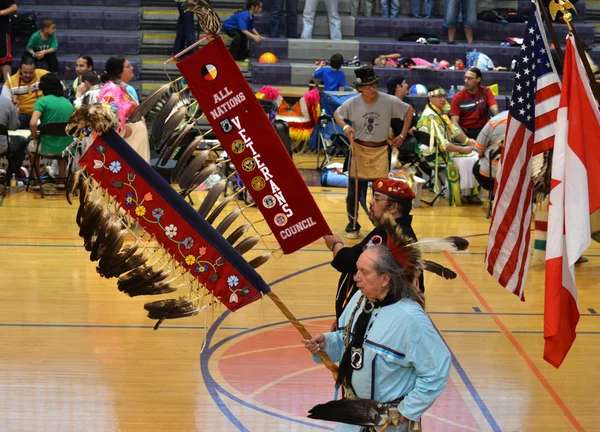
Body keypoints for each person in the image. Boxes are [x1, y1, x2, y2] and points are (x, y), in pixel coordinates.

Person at [302, 236, 450, 431]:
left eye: (364, 272)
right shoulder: (358, 300)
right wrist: (326, 343)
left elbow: (436, 372)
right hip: (352, 413)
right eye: (357, 270)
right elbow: (347, 342)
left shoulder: (411, 319)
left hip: (388, 423)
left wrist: (406, 410)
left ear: (385, 278)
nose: (356, 277)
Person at [324, 177, 424, 324]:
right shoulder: (396, 231)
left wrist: (335, 244)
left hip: (378, 319)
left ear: (393, 207)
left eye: (377, 199)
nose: (371, 202)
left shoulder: (390, 236)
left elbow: (349, 261)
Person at [334, 66, 413, 239]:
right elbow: (337, 114)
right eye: (368, 86)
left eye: (375, 84)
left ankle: (381, 225)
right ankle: (352, 224)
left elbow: (408, 111)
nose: (372, 88)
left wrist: (402, 134)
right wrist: (346, 126)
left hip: (381, 150)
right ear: (360, 88)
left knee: (381, 194)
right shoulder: (352, 103)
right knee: (354, 193)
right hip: (359, 150)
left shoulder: (388, 100)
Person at [416, 85, 480, 206]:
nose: (443, 99)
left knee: (473, 154)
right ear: (430, 98)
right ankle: (465, 194)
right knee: (473, 157)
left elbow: (454, 131)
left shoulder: (439, 113)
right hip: (437, 155)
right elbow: (444, 145)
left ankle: (467, 193)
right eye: (439, 96)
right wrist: (463, 149)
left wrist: (468, 141)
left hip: (440, 151)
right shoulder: (431, 117)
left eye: (444, 96)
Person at [98, 56, 150, 163]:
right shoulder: (112, 90)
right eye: (128, 66)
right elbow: (106, 115)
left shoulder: (119, 88)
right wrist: (123, 130)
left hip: (133, 137)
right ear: (118, 72)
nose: (132, 68)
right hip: (129, 138)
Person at [28, 73, 74, 189]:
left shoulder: (42, 101)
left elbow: (33, 123)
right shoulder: (68, 103)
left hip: (46, 147)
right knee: (63, 147)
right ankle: (61, 180)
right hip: (66, 148)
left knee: (31, 149)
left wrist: (34, 138)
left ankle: (36, 181)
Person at [450, 67, 499, 139]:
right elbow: (454, 123)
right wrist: (466, 140)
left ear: (478, 79)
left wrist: (498, 118)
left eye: (469, 78)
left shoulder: (486, 91)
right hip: (465, 133)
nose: (466, 81)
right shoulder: (458, 97)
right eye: (465, 78)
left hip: (483, 131)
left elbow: (495, 110)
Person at [1, 57, 48, 128]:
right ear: (20, 70)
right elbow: (5, 104)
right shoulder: (10, 82)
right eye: (25, 72)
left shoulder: (44, 74)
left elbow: (59, 89)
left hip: (42, 113)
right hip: (21, 115)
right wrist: (13, 105)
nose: (28, 75)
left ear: (35, 69)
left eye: (31, 72)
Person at [473, 110, 507, 191]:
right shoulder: (533, 120)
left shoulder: (494, 121)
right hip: (524, 172)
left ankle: (495, 193)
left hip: (495, 171)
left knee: (476, 168)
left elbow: (479, 149)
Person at [0, 94, 27, 187]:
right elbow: (13, 126)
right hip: (1, 147)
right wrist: (15, 112)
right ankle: (10, 181)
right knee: (21, 141)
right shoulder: (7, 102)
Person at [0, 0, 17, 83]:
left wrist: (0, 12)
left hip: (2, 31)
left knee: (5, 60)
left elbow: (14, 7)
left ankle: (8, 88)